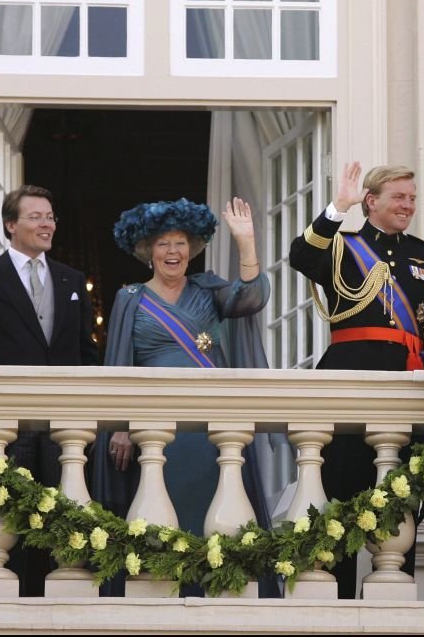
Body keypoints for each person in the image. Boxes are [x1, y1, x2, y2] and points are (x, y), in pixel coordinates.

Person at [92, 196, 273, 596]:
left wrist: (246, 243)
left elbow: (252, 297)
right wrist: (121, 426)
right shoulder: (130, 299)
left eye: (180, 243)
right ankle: (158, 594)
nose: (173, 251)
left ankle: (215, 592)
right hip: (155, 426)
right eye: (163, 243)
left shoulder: (209, 292)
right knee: (159, 508)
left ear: (192, 249)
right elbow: (120, 365)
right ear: (147, 251)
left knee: (213, 505)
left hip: (210, 424)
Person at [289, 162, 424, 598]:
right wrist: (336, 207)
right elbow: (300, 257)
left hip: (407, 383)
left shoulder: (423, 254)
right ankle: (335, 600)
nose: (408, 205)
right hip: (350, 381)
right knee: (341, 491)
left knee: (401, 497)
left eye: (412, 198)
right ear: (371, 201)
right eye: (399, 196)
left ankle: (395, 598)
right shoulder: (343, 246)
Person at [0, 184, 100, 596]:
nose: (47, 224)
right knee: (11, 517)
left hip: (65, 422)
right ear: (11, 225)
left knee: (64, 512)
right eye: (36, 216)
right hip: (10, 420)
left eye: (50, 217)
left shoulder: (71, 278)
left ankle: (62, 601)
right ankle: (13, 600)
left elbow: (86, 350)